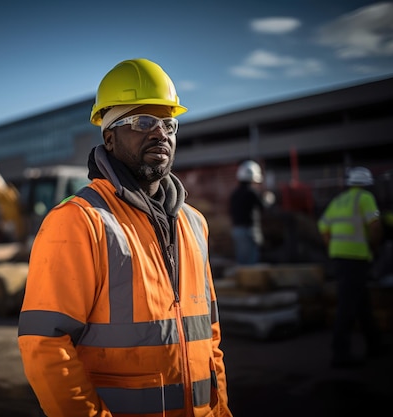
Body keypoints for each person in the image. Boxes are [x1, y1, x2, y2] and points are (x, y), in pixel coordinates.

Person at [18, 58, 232, 417]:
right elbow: (44, 345)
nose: (161, 133)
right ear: (110, 137)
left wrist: (221, 409)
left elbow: (209, 336)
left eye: (168, 123)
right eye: (144, 122)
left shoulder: (194, 223)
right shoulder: (78, 221)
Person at [318, 166, 384, 368]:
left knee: (362, 303)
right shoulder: (365, 198)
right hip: (356, 257)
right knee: (347, 305)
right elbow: (374, 225)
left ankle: (375, 344)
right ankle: (340, 353)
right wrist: (375, 247)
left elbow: (323, 226)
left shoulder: (339, 200)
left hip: (340, 257)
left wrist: (333, 246)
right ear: (367, 184)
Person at [228, 160, 270, 265]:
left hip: (237, 230)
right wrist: (268, 199)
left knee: (242, 260)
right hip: (248, 231)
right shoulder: (252, 193)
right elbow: (263, 206)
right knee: (251, 262)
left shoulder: (235, 194)